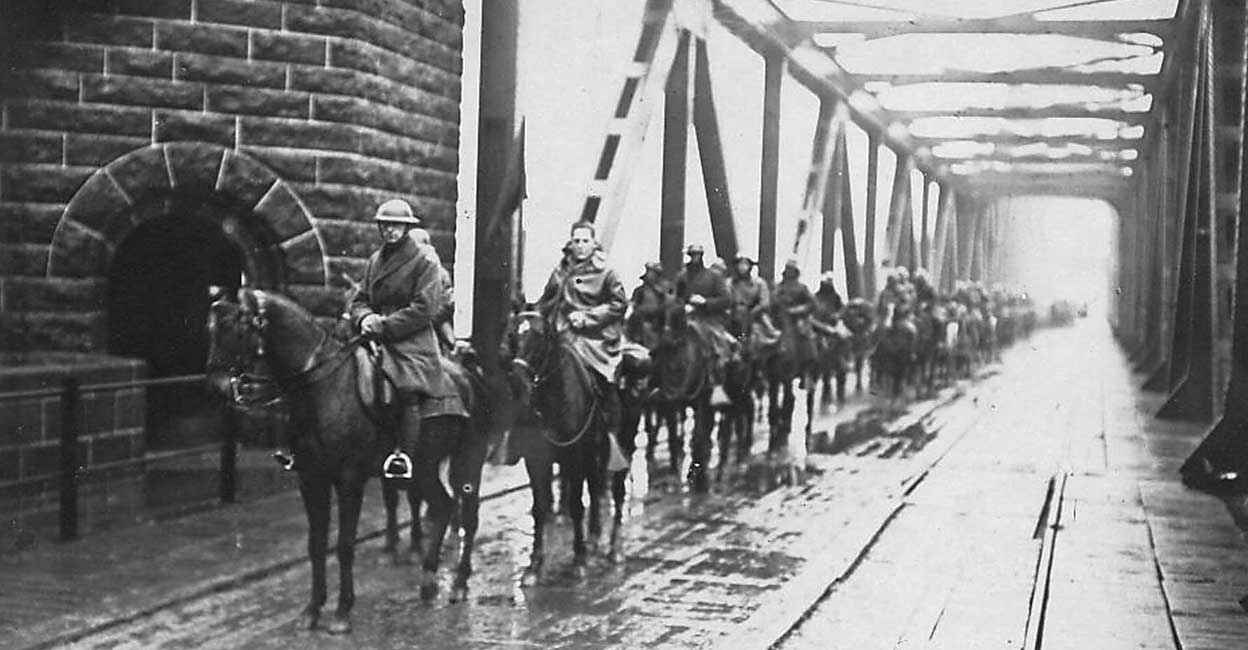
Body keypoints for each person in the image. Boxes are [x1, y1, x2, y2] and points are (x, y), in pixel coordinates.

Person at [351, 199, 467, 480]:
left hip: (410, 340)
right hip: (374, 333)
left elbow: (424, 309)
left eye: (396, 225)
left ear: (406, 227)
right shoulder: (375, 260)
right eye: (385, 225)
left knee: (405, 388)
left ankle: (402, 454)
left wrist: (384, 326)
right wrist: (364, 318)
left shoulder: (425, 261)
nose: (390, 231)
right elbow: (360, 299)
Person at [535, 221, 629, 459]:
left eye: (585, 241)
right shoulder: (561, 271)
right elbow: (546, 301)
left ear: (594, 243)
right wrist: (534, 315)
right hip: (564, 332)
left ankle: (609, 428)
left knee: (601, 378)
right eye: (576, 240)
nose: (580, 246)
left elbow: (619, 304)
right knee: (534, 367)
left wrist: (588, 317)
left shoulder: (607, 271)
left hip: (595, 337)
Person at [675, 243, 735, 407]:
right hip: (686, 318)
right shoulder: (682, 276)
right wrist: (683, 306)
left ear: (702, 256)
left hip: (709, 320)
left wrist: (705, 302)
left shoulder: (713, 277)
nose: (694, 257)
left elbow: (726, 300)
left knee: (716, 347)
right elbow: (675, 298)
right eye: (692, 254)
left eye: (697, 254)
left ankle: (716, 383)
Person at [727, 254, 776, 349]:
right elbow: (726, 297)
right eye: (740, 264)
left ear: (750, 267)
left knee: (767, 334)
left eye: (745, 264)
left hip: (754, 314)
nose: (742, 267)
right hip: (734, 314)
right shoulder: (729, 283)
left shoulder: (759, 283)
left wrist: (753, 312)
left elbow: (764, 302)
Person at [628, 262, 676, 349]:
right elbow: (635, 307)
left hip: (658, 325)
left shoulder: (663, 292)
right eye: (648, 273)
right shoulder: (640, 291)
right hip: (642, 325)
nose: (650, 276)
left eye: (653, 274)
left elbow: (667, 308)